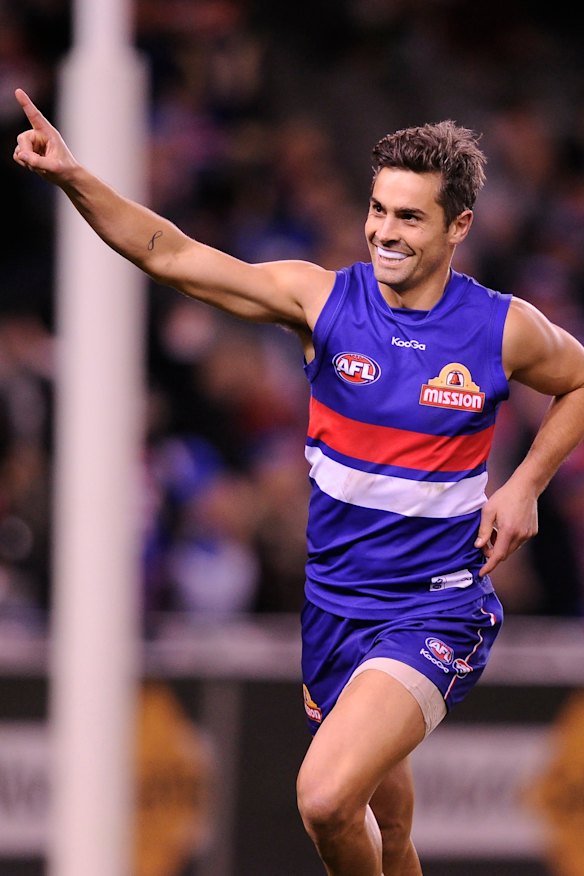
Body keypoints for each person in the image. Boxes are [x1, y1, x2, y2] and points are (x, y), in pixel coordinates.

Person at [13, 88, 584, 876]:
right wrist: (76, 177)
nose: (385, 231)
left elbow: (581, 382)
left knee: (323, 799)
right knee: (392, 827)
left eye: (410, 217)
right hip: (333, 611)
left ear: (460, 227)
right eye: (378, 209)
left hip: (434, 606)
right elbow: (170, 253)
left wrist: (525, 485)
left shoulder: (502, 327)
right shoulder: (322, 300)